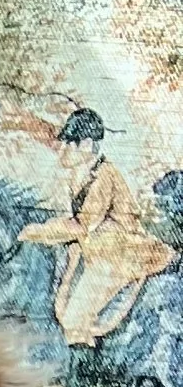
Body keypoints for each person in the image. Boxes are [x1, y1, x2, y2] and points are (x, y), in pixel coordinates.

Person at [19, 107, 175, 350]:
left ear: (87, 144)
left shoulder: (104, 176)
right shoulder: (82, 174)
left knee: (74, 318)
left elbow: (82, 225)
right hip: (97, 246)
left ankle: (81, 357)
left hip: (120, 251)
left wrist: (38, 231)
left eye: (71, 143)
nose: (65, 149)